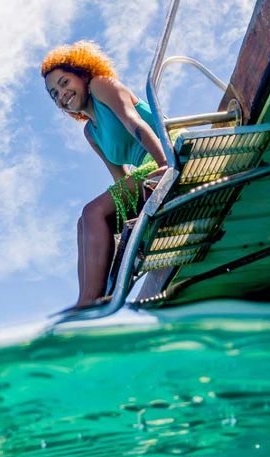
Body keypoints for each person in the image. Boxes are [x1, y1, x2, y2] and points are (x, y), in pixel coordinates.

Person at [42, 41, 168, 310]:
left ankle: (88, 302)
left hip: (167, 151)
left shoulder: (101, 86)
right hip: (146, 174)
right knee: (84, 222)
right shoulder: (90, 133)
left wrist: (166, 163)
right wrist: (124, 221)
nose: (62, 94)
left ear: (83, 74)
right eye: (54, 94)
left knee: (92, 211)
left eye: (65, 83)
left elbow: (136, 124)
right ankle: (93, 296)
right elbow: (120, 179)